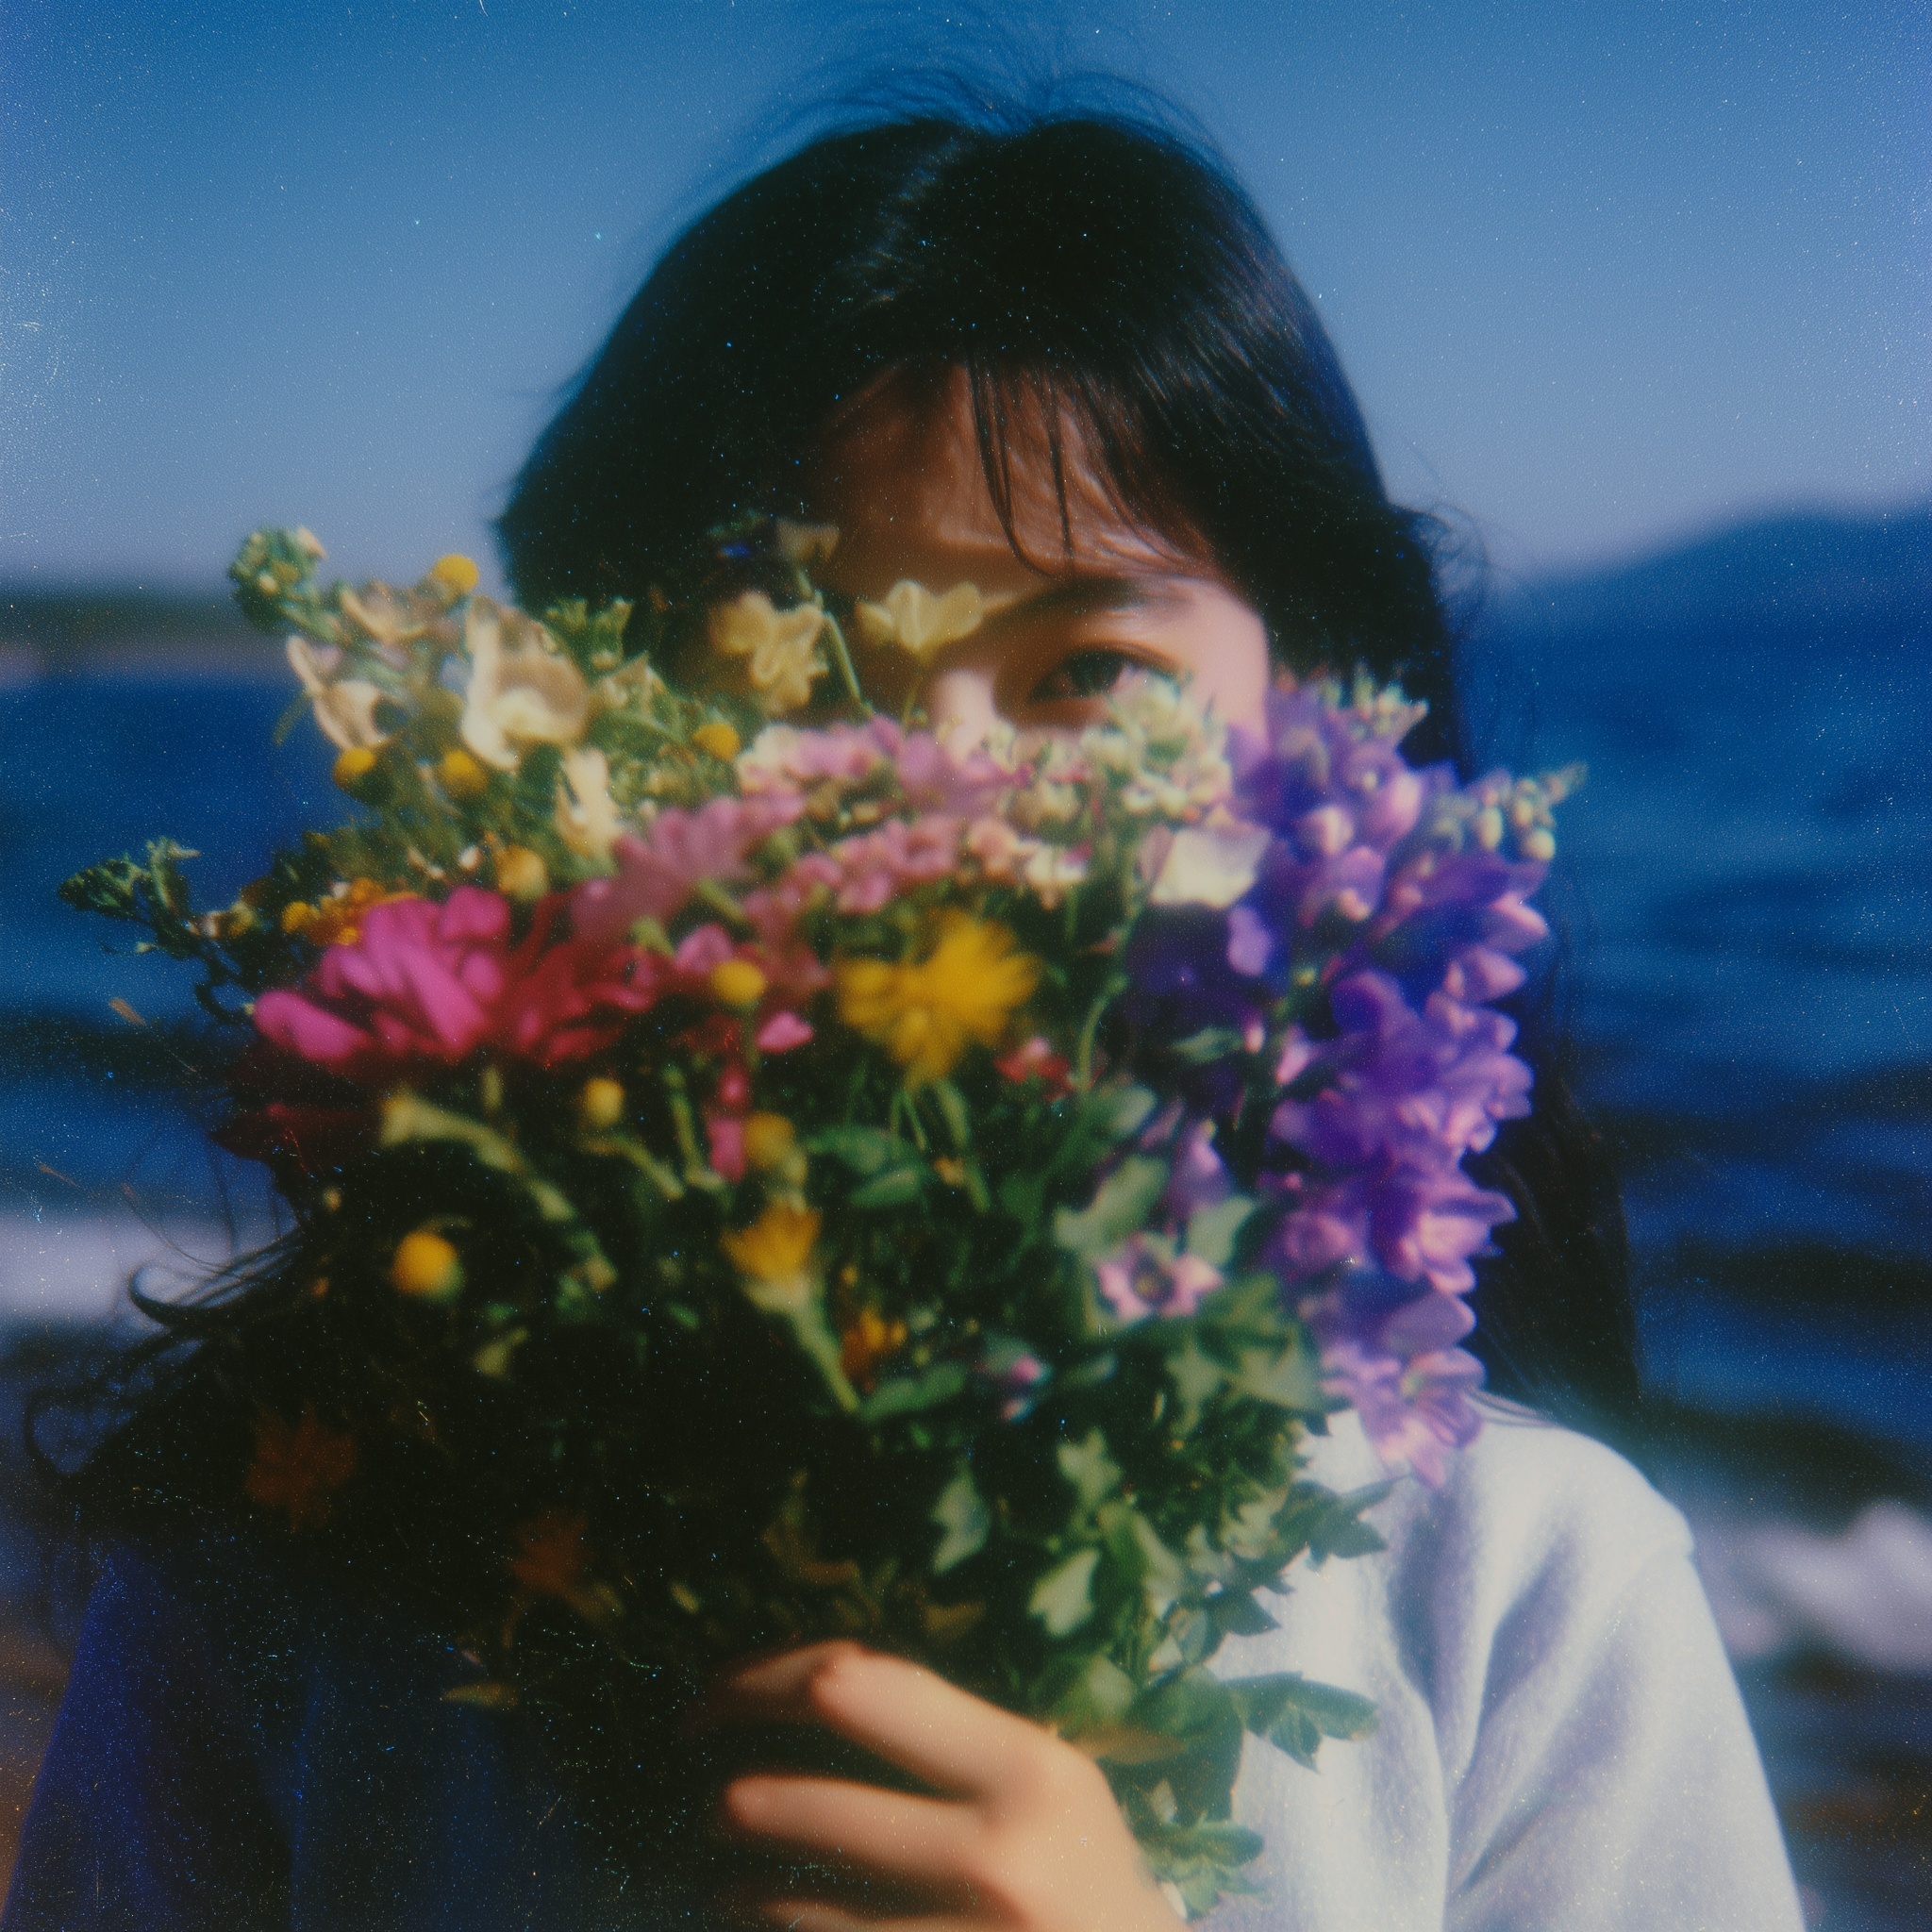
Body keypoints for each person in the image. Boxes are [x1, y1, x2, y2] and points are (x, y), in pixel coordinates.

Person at [4, 97, 1804, 1932]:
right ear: (562, 766)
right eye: (808, 676)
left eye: (1091, 670)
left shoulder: (1522, 1585)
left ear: (1327, 723)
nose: (946, 798)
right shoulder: (272, 1592)